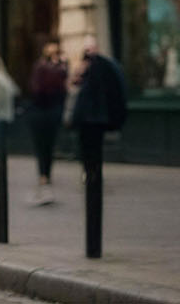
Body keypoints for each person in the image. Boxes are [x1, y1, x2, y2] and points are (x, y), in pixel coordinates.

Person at [70, 36, 127, 258]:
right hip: (96, 121)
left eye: (91, 49)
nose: (89, 53)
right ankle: (92, 176)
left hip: (92, 121)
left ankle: (92, 177)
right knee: (91, 157)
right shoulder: (93, 67)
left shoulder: (102, 67)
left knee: (91, 155)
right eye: (87, 49)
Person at [26, 41, 68, 205]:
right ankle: (44, 176)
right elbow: (37, 90)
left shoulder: (58, 68)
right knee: (43, 147)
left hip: (50, 113)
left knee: (47, 147)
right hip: (42, 113)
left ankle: (45, 176)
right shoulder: (42, 68)